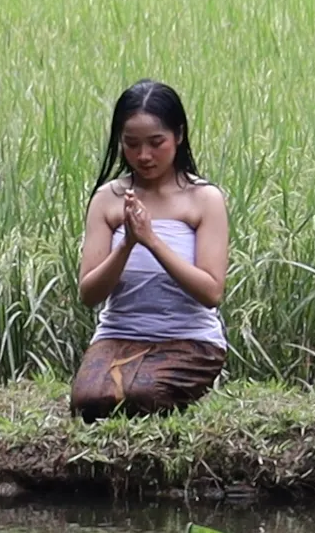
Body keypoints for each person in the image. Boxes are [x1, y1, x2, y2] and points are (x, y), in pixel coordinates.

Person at [72, 80, 230, 420]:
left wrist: (152, 241)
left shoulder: (204, 200)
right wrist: (127, 244)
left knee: (141, 395)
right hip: (119, 334)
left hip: (189, 339)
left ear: (179, 135)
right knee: (90, 401)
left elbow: (211, 293)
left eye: (156, 143)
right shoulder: (107, 200)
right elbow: (89, 293)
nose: (144, 156)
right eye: (132, 144)